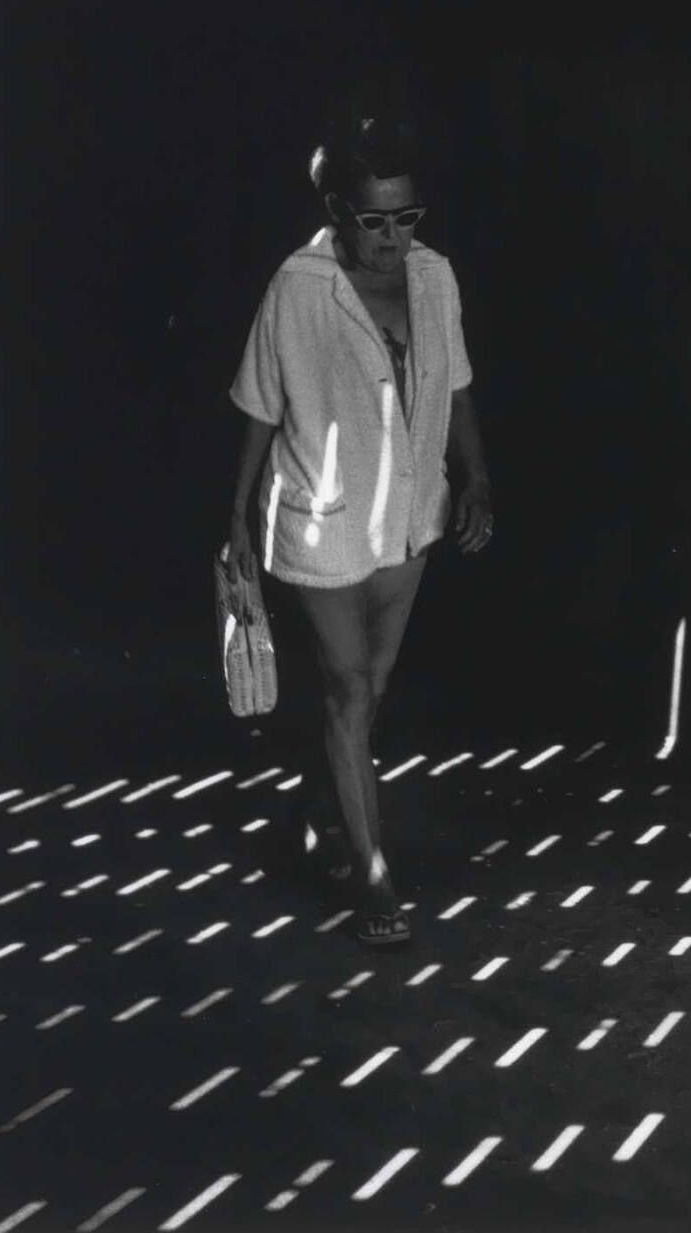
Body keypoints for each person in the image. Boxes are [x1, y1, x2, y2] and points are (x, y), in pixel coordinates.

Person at [225, 109, 493, 948]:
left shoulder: (435, 277)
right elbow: (260, 406)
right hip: (321, 517)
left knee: (367, 689)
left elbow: (454, 384)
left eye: (407, 216)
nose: (392, 237)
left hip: (407, 515)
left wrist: (478, 477)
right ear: (338, 210)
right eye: (374, 219)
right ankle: (376, 873)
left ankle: (319, 811)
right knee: (347, 688)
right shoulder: (298, 286)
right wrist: (237, 519)